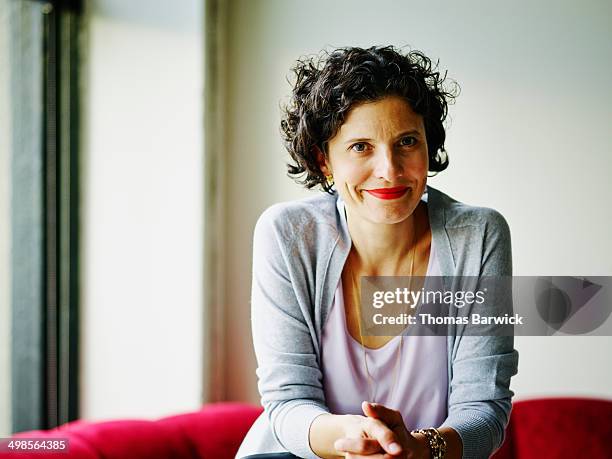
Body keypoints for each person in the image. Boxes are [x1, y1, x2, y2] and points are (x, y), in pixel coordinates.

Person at [236, 46, 518, 459]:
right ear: (323, 160)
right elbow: (286, 403)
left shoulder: (478, 235)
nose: (389, 169)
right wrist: (359, 439)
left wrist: (417, 448)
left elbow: (484, 410)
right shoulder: (288, 234)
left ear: (427, 146)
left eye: (406, 141)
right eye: (360, 147)